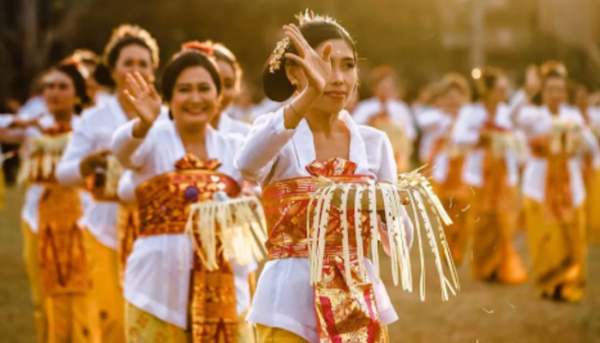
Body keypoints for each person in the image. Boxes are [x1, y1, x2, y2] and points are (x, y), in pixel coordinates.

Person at [236, 12, 419, 343]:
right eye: (321, 65)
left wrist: (384, 204)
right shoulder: (277, 131)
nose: (336, 77)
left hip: (358, 299)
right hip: (288, 303)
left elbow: (400, 245)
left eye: (347, 65)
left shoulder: (374, 142)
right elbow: (247, 164)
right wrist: (308, 96)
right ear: (293, 73)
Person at [111, 41, 258, 343]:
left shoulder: (234, 147)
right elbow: (122, 153)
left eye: (204, 89)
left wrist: (247, 202)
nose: (195, 98)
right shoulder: (151, 140)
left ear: (219, 97)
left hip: (228, 293)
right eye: (184, 89)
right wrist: (142, 124)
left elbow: (257, 189)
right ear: (168, 97)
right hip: (155, 295)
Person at [56, 24, 160, 343]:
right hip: (104, 229)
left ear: (154, 71)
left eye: (143, 63)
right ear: (112, 70)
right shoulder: (93, 119)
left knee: (152, 313)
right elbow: (64, 174)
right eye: (127, 63)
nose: (136, 70)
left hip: (154, 228)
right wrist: (88, 165)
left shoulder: (166, 116)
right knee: (112, 318)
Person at [20, 59, 99, 343]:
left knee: (83, 291)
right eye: (49, 86)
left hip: (81, 219)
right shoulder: (31, 128)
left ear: (77, 93)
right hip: (36, 218)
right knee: (43, 295)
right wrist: (20, 122)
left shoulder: (87, 130)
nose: (54, 92)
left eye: (62, 86)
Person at [512, 61, 593, 302]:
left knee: (571, 234)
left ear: (565, 92)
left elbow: (590, 146)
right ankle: (548, 283)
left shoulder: (572, 116)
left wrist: (576, 136)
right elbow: (512, 115)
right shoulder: (533, 115)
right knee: (544, 236)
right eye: (550, 89)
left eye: (559, 89)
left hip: (570, 183)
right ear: (543, 92)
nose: (555, 94)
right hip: (539, 184)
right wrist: (527, 90)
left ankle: (569, 284)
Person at [451, 67, 527, 284]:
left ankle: (503, 267)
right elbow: (458, 137)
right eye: (501, 89)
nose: (505, 93)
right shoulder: (471, 112)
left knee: (504, 221)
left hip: (504, 175)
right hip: (478, 174)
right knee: (482, 221)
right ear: (489, 91)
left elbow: (518, 136)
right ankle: (484, 268)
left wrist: (506, 139)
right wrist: (481, 136)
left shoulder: (507, 113)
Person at [430, 73, 472, 265]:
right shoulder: (438, 119)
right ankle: (447, 250)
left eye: (458, 95)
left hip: (464, 170)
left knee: (462, 212)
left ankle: (458, 250)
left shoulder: (470, 118)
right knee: (445, 212)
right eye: (450, 96)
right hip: (444, 172)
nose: (453, 99)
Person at [352, 65, 417, 172]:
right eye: (382, 85)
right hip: (371, 155)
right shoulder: (365, 107)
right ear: (374, 86)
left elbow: (411, 134)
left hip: (397, 156)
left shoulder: (401, 108)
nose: (385, 88)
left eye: (389, 85)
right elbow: (355, 129)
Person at [570, 82, 600, 242]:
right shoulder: (571, 115)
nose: (582, 99)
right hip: (578, 163)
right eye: (579, 96)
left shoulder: (595, 115)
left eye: (585, 96)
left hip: (594, 163)